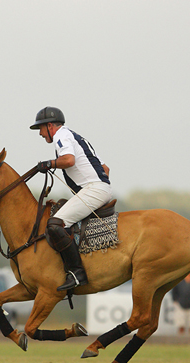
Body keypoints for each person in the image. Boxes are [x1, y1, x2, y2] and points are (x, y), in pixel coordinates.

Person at [30, 106, 112, 292]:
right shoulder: (76, 137)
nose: (41, 134)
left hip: (94, 190)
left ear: (50, 126)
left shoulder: (61, 136)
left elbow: (68, 160)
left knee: (55, 224)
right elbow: (105, 169)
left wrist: (49, 163)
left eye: (41, 129)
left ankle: (77, 272)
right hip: (100, 188)